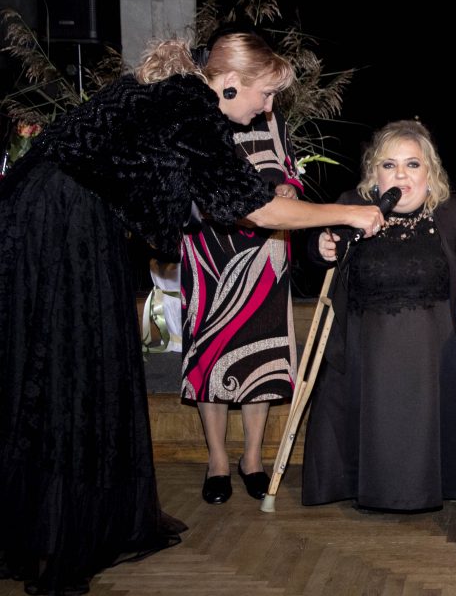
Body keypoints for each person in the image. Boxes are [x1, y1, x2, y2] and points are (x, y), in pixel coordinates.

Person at [0, 35, 383, 595]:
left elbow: (213, 195)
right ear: (229, 83)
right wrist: (348, 214)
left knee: (66, 367)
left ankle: (48, 521)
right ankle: (57, 529)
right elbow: (255, 209)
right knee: (71, 368)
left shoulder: (176, 94)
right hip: (59, 223)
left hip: (50, 212)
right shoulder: (190, 106)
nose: (267, 109)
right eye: (265, 94)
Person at [301, 119, 456, 512]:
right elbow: (321, 250)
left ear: (429, 173)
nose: (401, 174)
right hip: (365, 350)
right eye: (390, 165)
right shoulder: (352, 206)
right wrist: (321, 246)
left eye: (412, 164)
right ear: (375, 175)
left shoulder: (452, 210)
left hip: (433, 354)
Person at [178, 25, 303, 505]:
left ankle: (253, 459)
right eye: (266, 91)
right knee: (211, 355)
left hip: (265, 252)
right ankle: (217, 461)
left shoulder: (269, 118)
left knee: (261, 357)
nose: (268, 104)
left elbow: (288, 170)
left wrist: (290, 188)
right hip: (208, 251)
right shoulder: (197, 118)